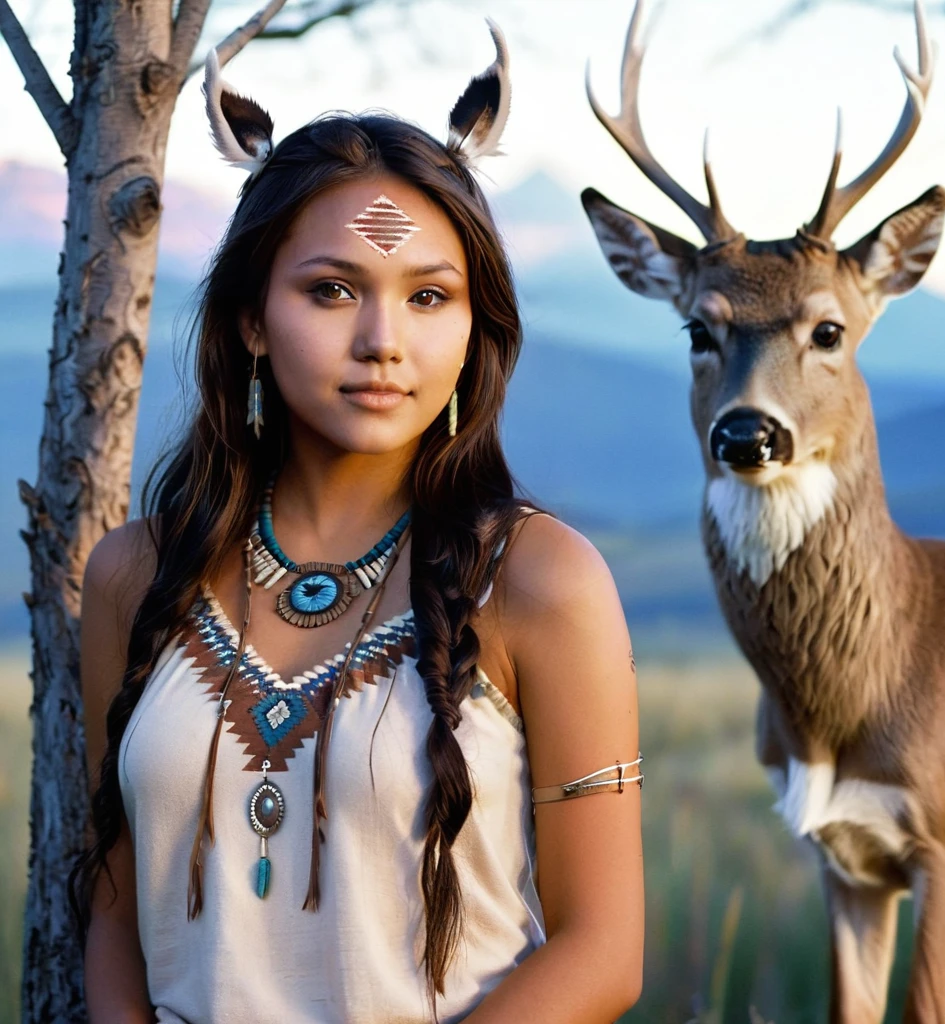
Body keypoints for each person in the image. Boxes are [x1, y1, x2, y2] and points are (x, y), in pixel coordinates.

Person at [74, 23, 644, 1023]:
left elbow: (604, 952)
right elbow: (113, 907)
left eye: (429, 296)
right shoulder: (135, 576)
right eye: (331, 290)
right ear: (253, 318)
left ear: (473, 334)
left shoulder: (539, 581)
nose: (383, 341)